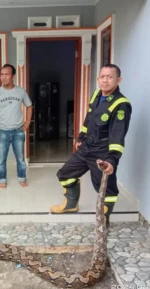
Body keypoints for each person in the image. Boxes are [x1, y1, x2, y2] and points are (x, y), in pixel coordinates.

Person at [50, 64, 132, 227]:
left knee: (107, 189)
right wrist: (81, 136)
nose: (105, 80)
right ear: (98, 79)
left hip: (103, 153)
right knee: (65, 174)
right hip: (87, 147)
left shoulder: (121, 104)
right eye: (102, 76)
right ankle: (71, 204)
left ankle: (104, 221)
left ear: (118, 80)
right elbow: (90, 118)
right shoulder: (96, 95)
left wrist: (111, 160)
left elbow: (117, 135)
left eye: (110, 77)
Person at [0, 64, 33, 188]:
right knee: (1, 160)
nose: (3, 77)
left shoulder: (21, 91)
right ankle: (2, 180)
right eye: (1, 74)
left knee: (20, 159)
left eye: (6, 74)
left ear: (13, 76)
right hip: (2, 131)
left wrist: (28, 122)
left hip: (18, 131)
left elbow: (29, 106)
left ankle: (22, 177)